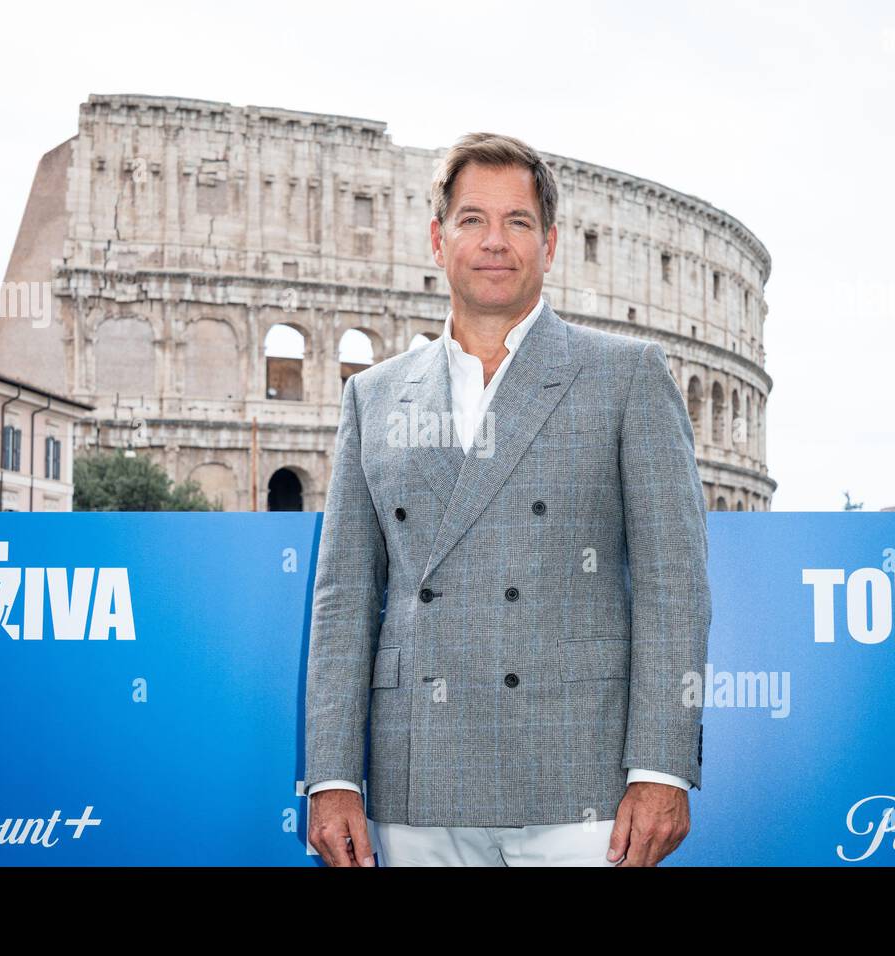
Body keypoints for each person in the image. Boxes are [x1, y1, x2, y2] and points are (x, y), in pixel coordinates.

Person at [302, 132, 711, 866]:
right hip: (417, 778)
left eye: (518, 222)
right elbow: (343, 598)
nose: (496, 242)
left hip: (581, 783)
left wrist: (661, 766)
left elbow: (672, 585)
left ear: (549, 244)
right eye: (472, 220)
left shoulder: (626, 376)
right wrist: (332, 776)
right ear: (437, 239)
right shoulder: (374, 394)